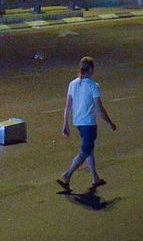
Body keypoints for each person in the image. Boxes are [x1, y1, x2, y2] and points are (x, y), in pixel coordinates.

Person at [57, 56, 116, 193]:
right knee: (85, 151)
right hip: (89, 123)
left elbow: (68, 106)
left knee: (89, 149)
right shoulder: (93, 86)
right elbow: (99, 108)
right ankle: (68, 174)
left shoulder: (72, 84)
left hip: (78, 122)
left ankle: (95, 178)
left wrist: (65, 124)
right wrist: (109, 122)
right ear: (90, 69)